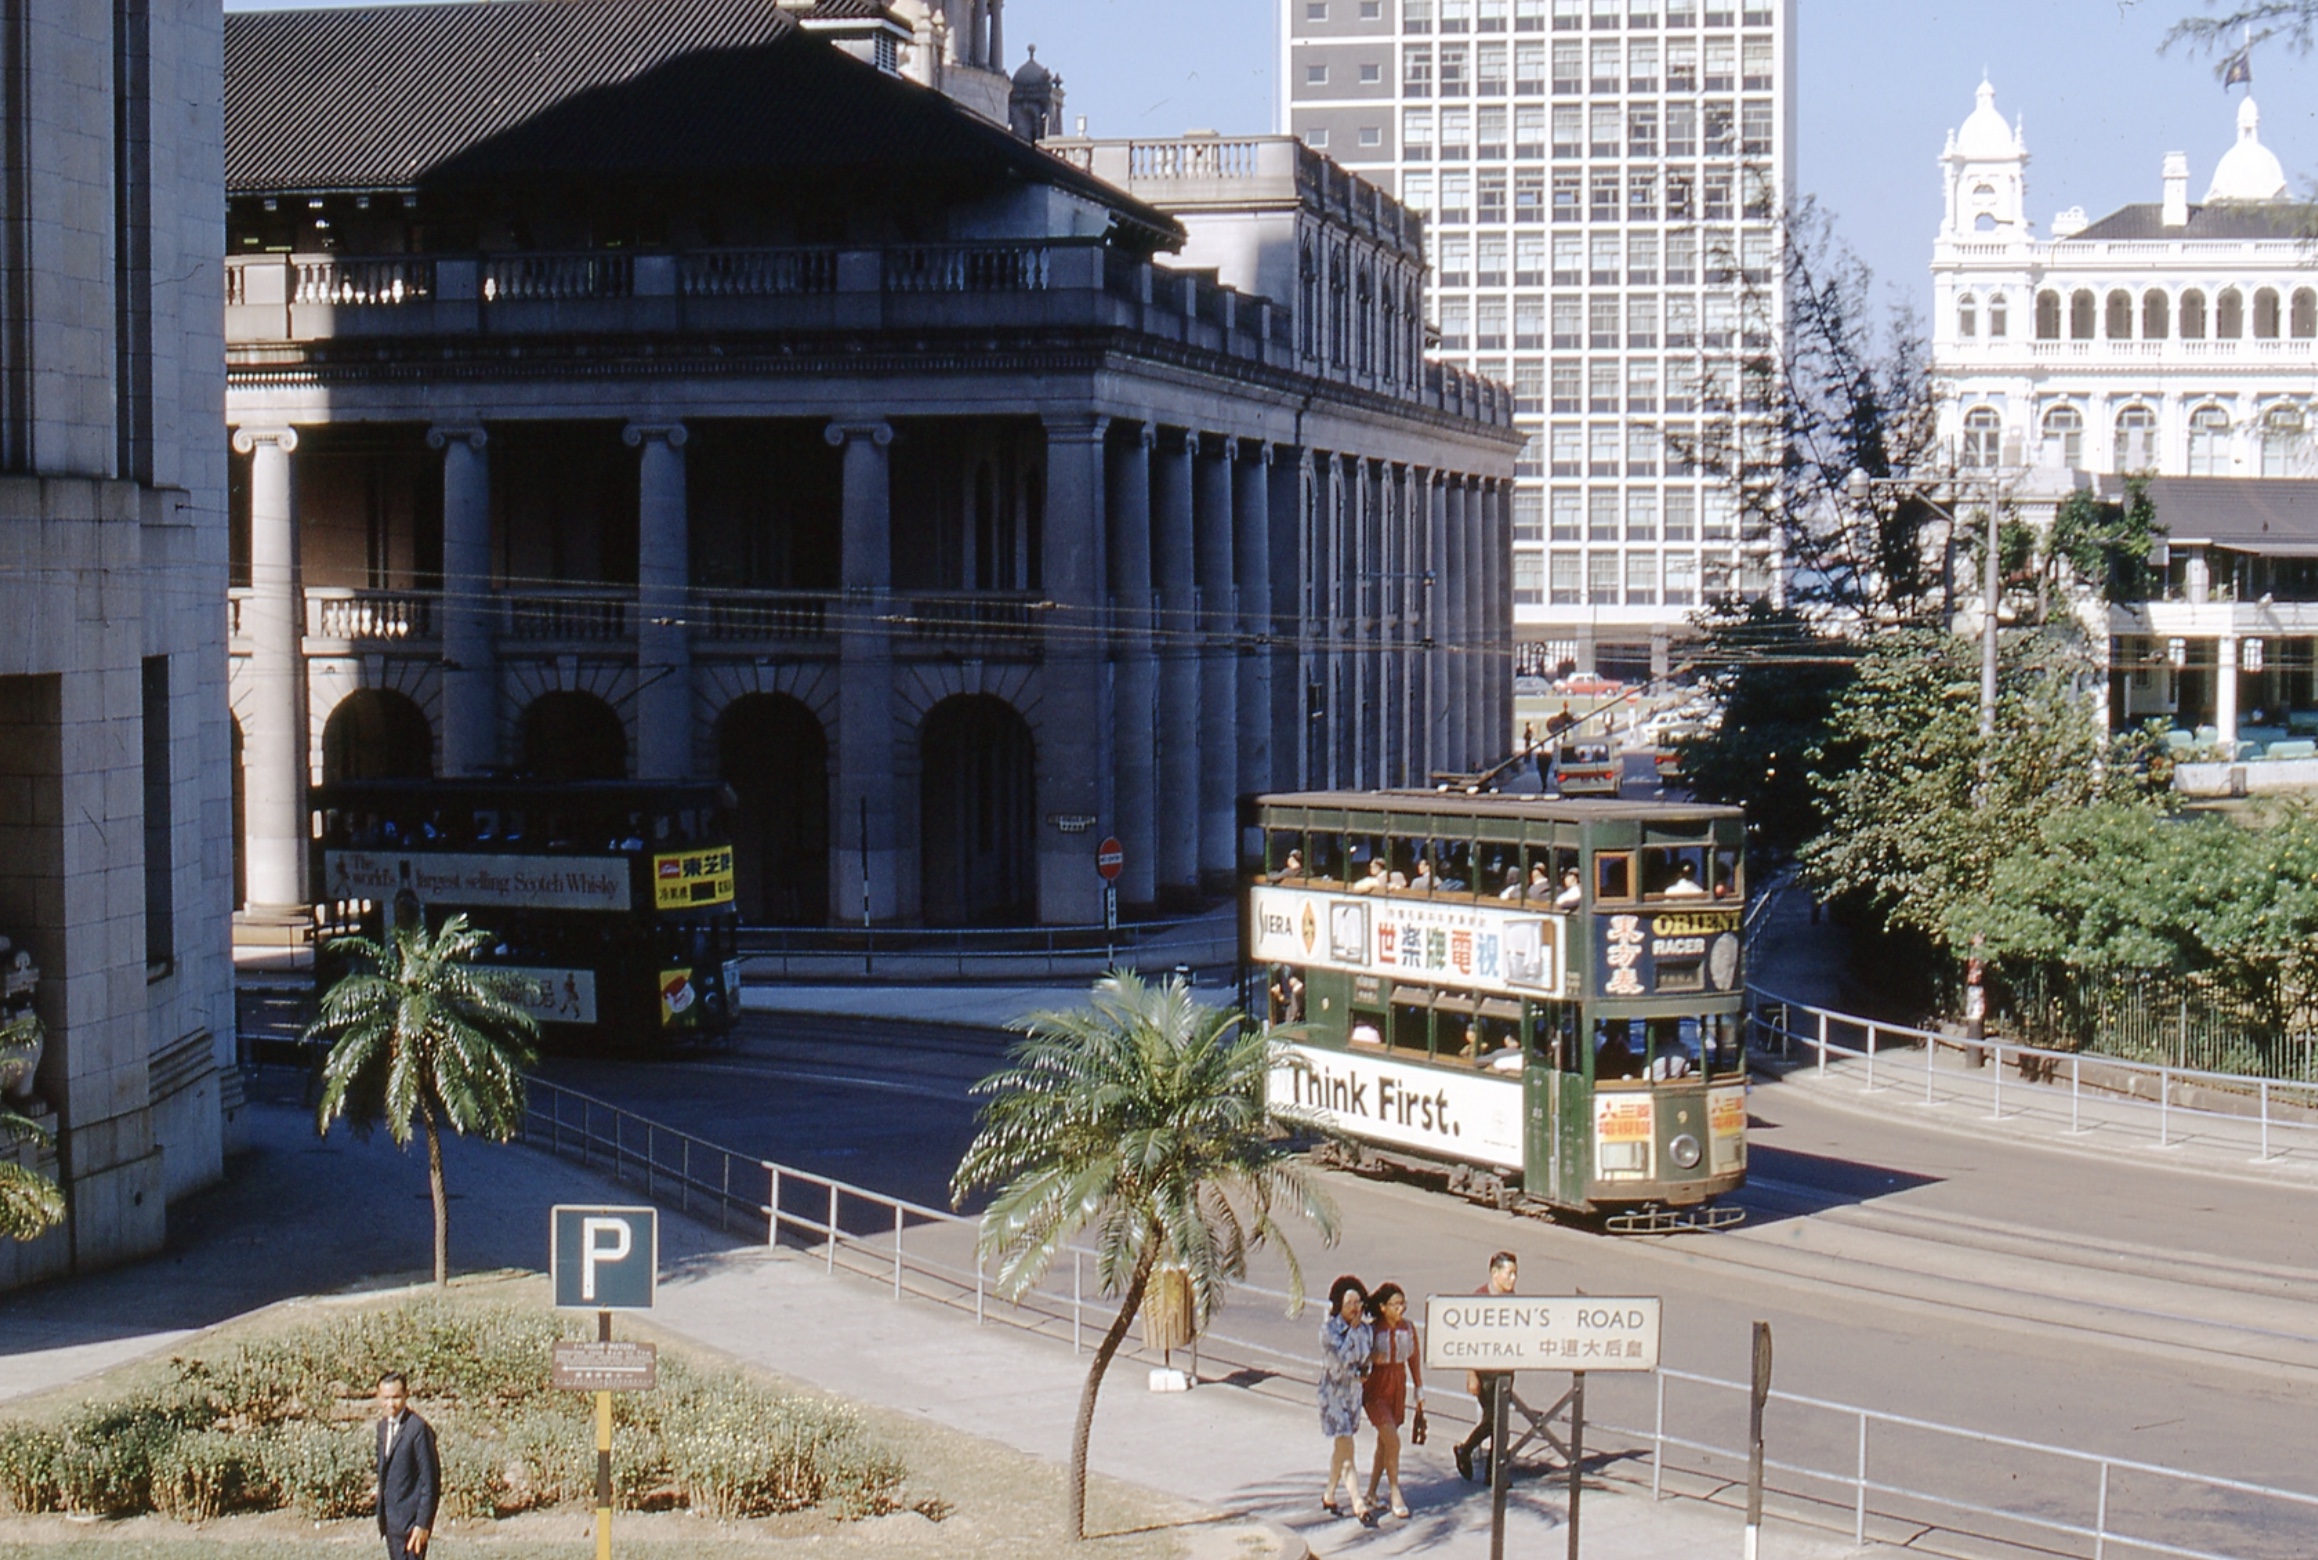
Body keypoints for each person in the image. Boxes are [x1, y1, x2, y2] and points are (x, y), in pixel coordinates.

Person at [1361, 1283, 1426, 1520]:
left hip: (1397, 1386)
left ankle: (1370, 1493)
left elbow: (1414, 1359)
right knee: (1392, 1440)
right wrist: (1371, 1360)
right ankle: (1395, 1492)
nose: (1401, 1309)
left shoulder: (1407, 1328)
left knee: (1384, 1443)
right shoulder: (1371, 1331)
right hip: (1376, 1389)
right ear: (1382, 1307)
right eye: (1396, 1304)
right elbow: (1359, 1362)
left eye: (1403, 1304)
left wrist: (1419, 1391)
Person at [1453, 1252, 1519, 1484]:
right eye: (1509, 1273)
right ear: (1494, 1273)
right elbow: (1467, 1342)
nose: (1513, 1279)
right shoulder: (1479, 1299)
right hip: (1484, 1373)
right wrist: (1471, 1374)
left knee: (1501, 1422)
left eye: (1515, 1274)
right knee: (1494, 1420)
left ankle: (1493, 1472)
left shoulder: (1513, 1299)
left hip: (1505, 1371)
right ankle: (1466, 1450)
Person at [1318, 1275, 1375, 1521]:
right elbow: (1337, 1364)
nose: (1354, 1307)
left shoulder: (1366, 1330)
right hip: (1334, 1396)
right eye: (1349, 1301)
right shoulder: (1329, 1330)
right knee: (1347, 1447)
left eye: (1358, 1302)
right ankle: (1358, 1503)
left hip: (1354, 1397)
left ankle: (1329, 1493)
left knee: (1340, 1450)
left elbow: (1367, 1359)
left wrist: (1365, 1373)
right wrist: (1351, 1333)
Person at [374, 1371, 438, 1560]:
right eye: (386, 1398)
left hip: (412, 1527)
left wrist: (423, 1524)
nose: (391, 1404)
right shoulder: (383, 1427)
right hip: (391, 1523)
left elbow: (431, 1482)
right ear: (378, 1397)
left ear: (406, 1395)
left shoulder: (417, 1429)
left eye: (396, 1397)